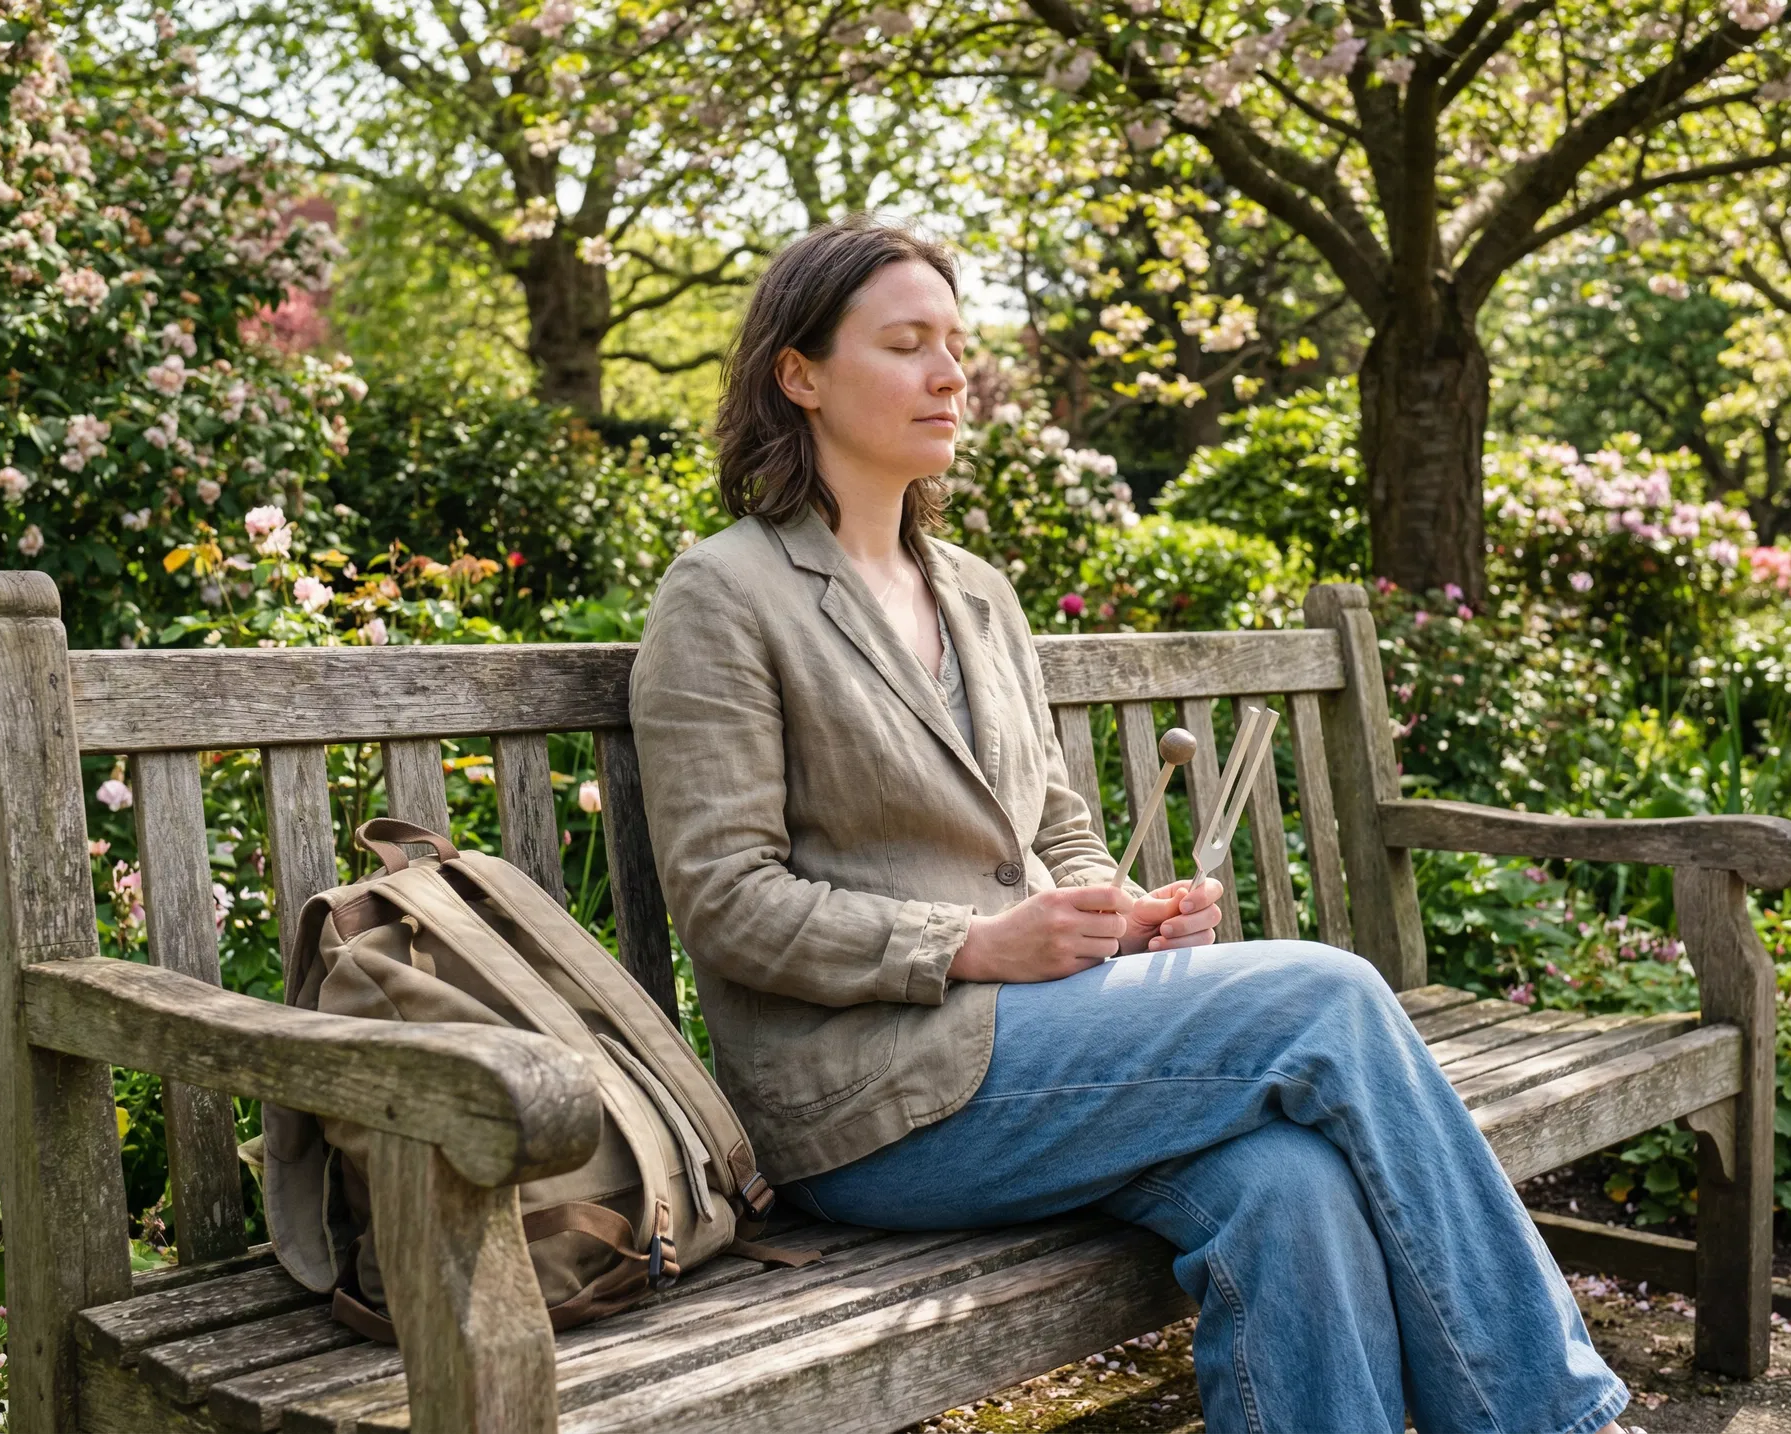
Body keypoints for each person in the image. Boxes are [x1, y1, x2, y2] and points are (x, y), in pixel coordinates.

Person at [627, 212, 1639, 1434]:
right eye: (907, 344)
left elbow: (1053, 825)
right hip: (867, 1102)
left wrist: (1119, 914)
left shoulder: (980, 596)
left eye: (955, 342)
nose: (951, 375)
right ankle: (1555, 1419)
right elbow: (729, 905)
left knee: (1290, 1187)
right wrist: (972, 944)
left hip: (1039, 1058)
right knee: (1328, 996)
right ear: (799, 375)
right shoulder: (724, 594)